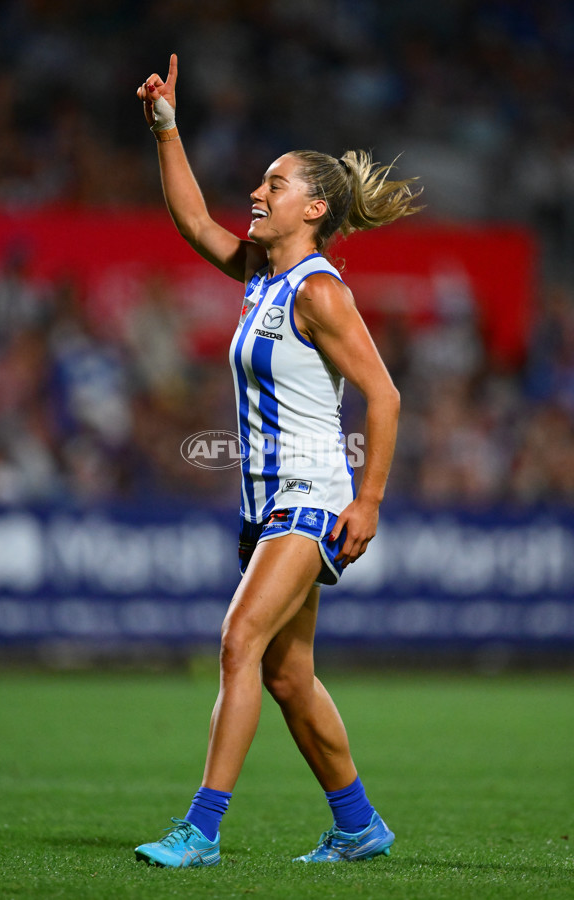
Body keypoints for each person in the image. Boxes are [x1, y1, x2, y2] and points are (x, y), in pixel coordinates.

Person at [134, 53, 422, 869]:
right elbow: (193, 224)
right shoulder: (265, 275)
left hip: (312, 494)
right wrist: (165, 128)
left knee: (237, 643)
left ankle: (202, 829)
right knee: (290, 677)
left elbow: (386, 395)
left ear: (315, 206)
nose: (256, 194)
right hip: (267, 502)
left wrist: (365, 505)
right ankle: (361, 825)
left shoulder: (320, 292)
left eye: (274, 184)